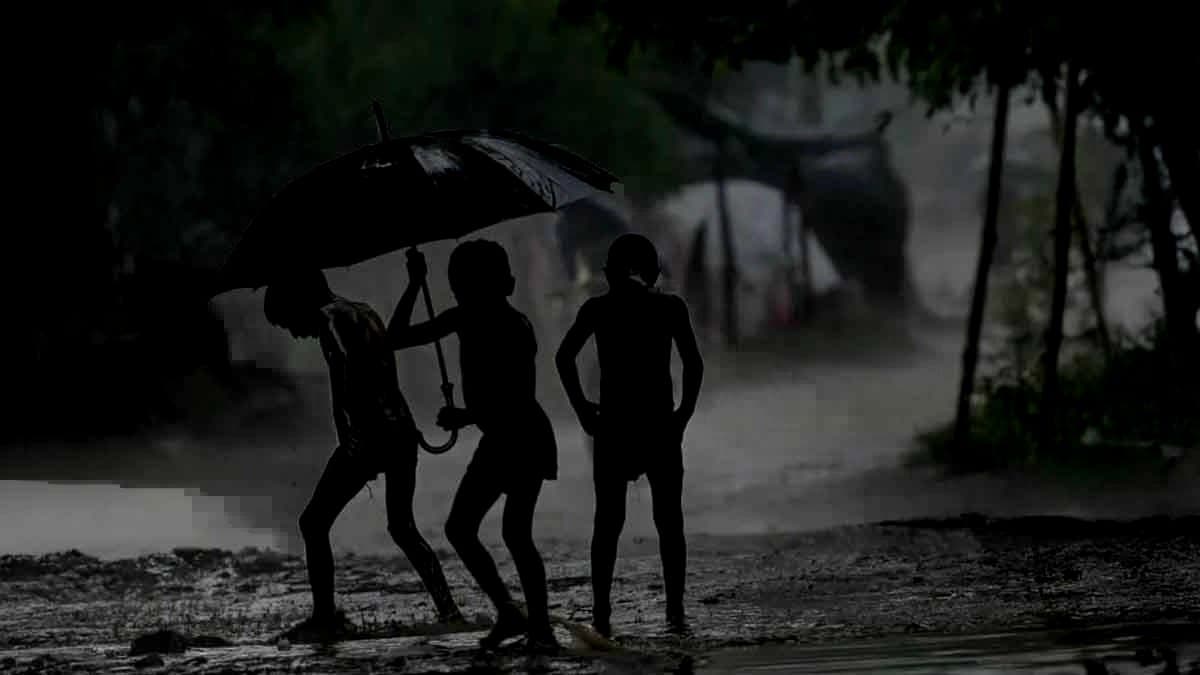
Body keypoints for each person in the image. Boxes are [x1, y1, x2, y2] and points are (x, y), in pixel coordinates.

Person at [263, 270, 463, 643]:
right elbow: (383, 363)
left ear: (300, 303)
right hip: (401, 430)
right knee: (402, 527)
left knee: (313, 523)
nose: (294, 333)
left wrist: (349, 431)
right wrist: (413, 284)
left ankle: (325, 617)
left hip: (370, 434)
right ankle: (450, 611)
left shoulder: (329, 318)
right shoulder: (364, 311)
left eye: (289, 322)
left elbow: (350, 372)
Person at [389, 242, 559, 652]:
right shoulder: (463, 317)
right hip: (501, 438)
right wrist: (414, 284)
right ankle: (512, 613)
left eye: (466, 286)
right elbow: (395, 338)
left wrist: (466, 415)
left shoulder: (514, 327)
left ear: (500, 286)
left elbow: (517, 397)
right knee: (463, 529)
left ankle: (540, 629)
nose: (462, 294)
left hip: (522, 437)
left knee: (514, 534)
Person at [555, 233, 704, 637]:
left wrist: (583, 410)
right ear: (652, 272)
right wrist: (683, 414)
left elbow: (563, 358)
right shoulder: (669, 307)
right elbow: (693, 364)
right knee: (669, 522)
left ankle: (601, 612)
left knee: (608, 523)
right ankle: (675, 610)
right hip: (659, 426)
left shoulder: (598, 309)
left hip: (614, 427)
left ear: (610, 273)